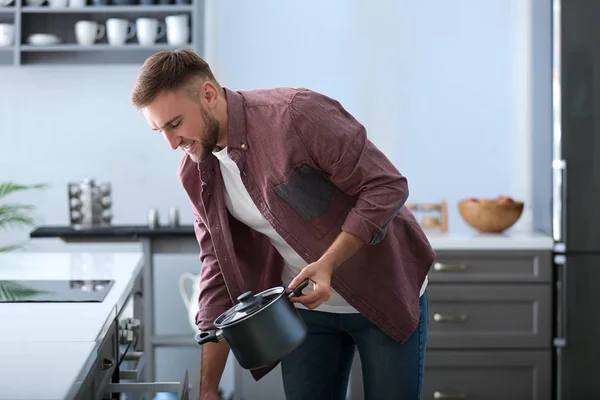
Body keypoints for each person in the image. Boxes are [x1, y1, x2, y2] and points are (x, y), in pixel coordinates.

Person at [131, 49, 435, 400]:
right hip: (306, 311)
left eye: (175, 124)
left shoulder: (295, 115)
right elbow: (216, 266)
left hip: (383, 290)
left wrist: (328, 264)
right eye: (159, 131)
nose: (171, 144)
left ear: (209, 95)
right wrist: (208, 389)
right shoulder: (196, 171)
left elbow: (386, 185)